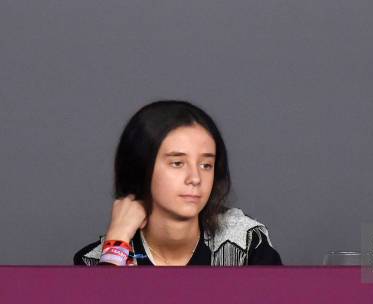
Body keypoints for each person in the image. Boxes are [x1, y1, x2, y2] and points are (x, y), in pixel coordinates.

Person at [74, 100, 282, 266]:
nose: (195, 178)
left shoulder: (245, 243)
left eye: (206, 165)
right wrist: (117, 242)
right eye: (177, 163)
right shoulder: (95, 260)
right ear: (139, 167)